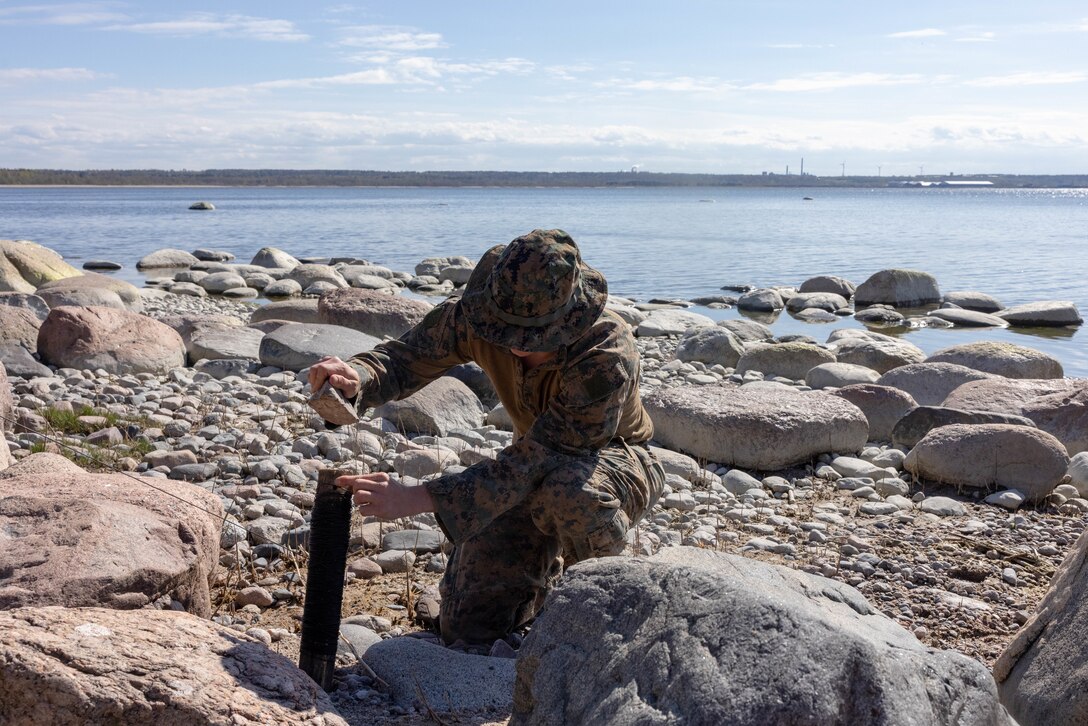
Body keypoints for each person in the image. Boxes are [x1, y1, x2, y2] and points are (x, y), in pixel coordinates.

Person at [308, 228, 664, 651]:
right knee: (468, 629)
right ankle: (541, 579)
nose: (513, 344)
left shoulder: (604, 354)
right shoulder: (483, 312)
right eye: (505, 330)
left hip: (611, 461)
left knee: (569, 493)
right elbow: (407, 357)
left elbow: (541, 459)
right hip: (529, 464)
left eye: (531, 335)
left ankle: (604, 599)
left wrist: (419, 496)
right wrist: (359, 377)